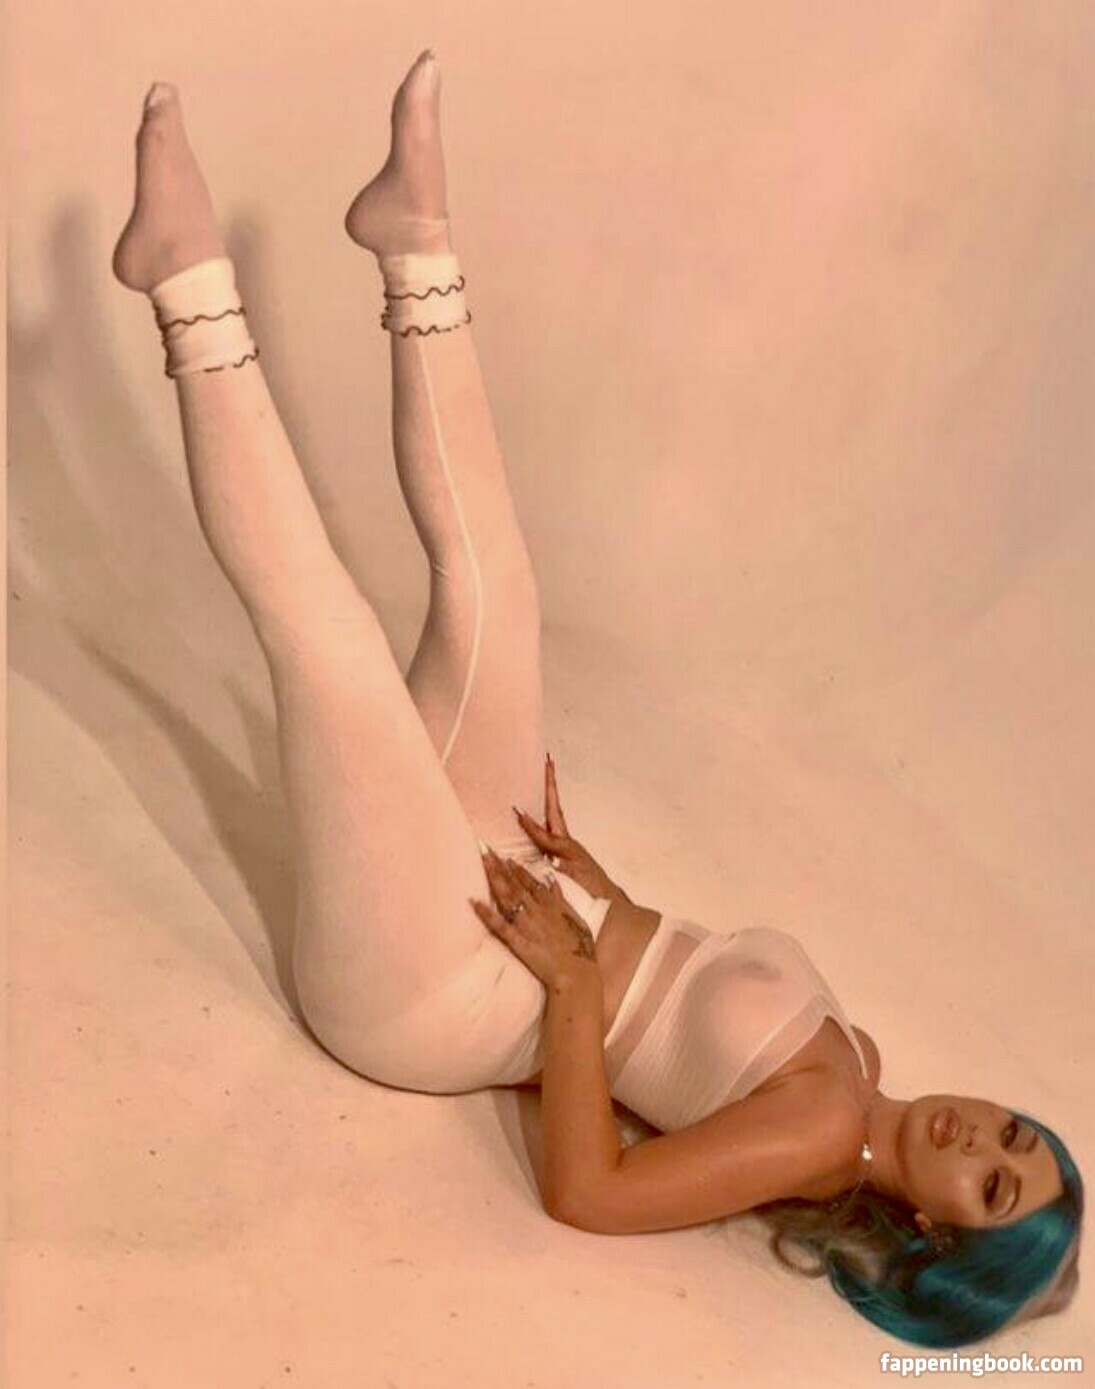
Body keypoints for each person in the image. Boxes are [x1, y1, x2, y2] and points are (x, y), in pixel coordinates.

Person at [111, 50, 1082, 1349]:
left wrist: (572, 984)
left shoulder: (821, 1133)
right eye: (1016, 1133)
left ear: (938, 1233)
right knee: (497, 593)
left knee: (333, 649)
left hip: (428, 999)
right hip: (517, 901)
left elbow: (591, 1191)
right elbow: (668, 1016)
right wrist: (598, 890)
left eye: (994, 1186)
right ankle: (414, 244)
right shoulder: (853, 1063)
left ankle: (186, 284)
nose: (982, 1141)